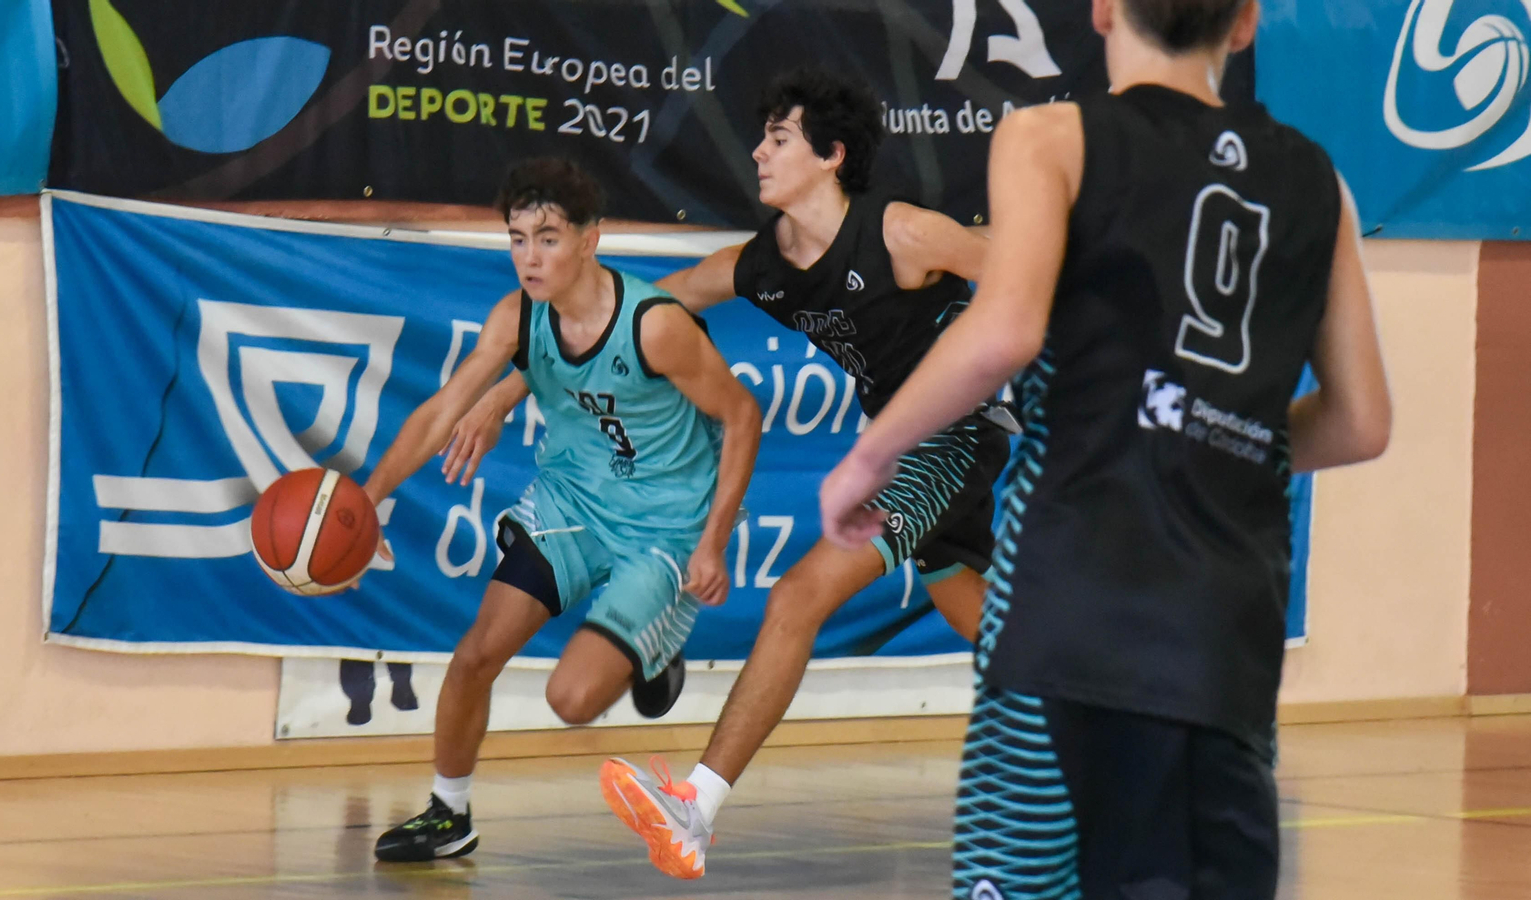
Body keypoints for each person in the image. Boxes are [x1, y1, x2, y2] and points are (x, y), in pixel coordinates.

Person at [819, 1, 1392, 897]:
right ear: (1244, 24)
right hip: (1225, 641)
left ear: (1102, 10)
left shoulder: (1051, 136)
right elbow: (1362, 422)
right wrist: (1218, 428)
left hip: (1067, 614)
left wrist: (872, 456)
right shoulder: (1319, 181)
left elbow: (1003, 331)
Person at [443, 67, 1016, 879]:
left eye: (778, 137)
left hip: (952, 435)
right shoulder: (770, 261)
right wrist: (510, 386)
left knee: (797, 594)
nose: (757, 151)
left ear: (831, 156)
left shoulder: (902, 233)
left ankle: (697, 807)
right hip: (897, 436)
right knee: (1000, 634)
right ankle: (1119, 740)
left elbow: (1020, 275)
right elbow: (648, 306)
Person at [363, 157, 761, 863]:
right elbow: (438, 412)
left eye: (547, 237)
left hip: (662, 528)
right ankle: (448, 813)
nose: (529, 256)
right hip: (572, 501)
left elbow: (742, 415)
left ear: (590, 239)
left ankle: (656, 649)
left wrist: (713, 542)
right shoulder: (517, 318)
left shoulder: (656, 326)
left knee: (570, 700)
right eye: (516, 238)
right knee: (474, 655)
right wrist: (368, 500)